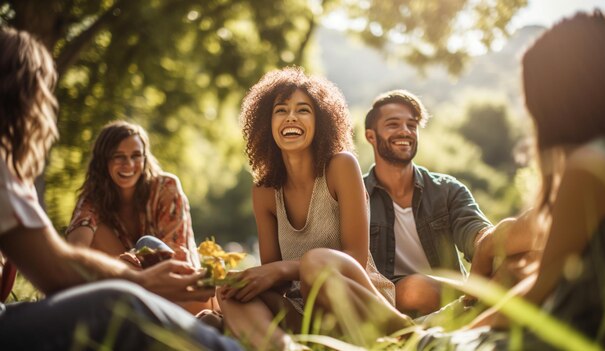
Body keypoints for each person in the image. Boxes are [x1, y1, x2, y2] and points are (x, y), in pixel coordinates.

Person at [0, 27, 241, 350]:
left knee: (140, 262)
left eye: (135, 157)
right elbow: (60, 264)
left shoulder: (164, 188)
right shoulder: (84, 196)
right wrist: (134, 278)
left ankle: (203, 325)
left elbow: (180, 259)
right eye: (43, 93)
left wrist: (138, 275)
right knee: (121, 303)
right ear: (21, 96)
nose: (47, 109)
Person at [419, 10, 605, 350]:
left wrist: (452, 337)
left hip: (554, 341)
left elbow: (534, 296)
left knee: (423, 342)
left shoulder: (592, 167)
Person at [217, 67, 412, 350]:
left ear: (321, 121)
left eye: (303, 110)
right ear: (266, 124)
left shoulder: (340, 167)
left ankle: (403, 334)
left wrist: (283, 269)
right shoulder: (264, 191)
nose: (291, 117)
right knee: (230, 292)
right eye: (280, 110)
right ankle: (287, 348)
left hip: (357, 299)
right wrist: (242, 281)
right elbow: (274, 281)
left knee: (316, 262)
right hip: (305, 312)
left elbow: (355, 258)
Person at [362, 90, 496, 316]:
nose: (405, 131)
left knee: (511, 263)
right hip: (388, 305)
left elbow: (475, 231)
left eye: (412, 126)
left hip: (452, 298)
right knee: (416, 289)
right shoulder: (356, 195)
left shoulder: (447, 190)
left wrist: (489, 240)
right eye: (393, 124)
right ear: (371, 136)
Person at [66, 120, 199, 269]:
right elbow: (75, 249)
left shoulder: (166, 187)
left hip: (174, 277)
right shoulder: (94, 198)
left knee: (147, 243)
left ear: (144, 158)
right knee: (95, 231)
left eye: (136, 156)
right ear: (103, 161)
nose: (128, 164)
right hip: (130, 276)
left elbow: (177, 256)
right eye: (119, 156)